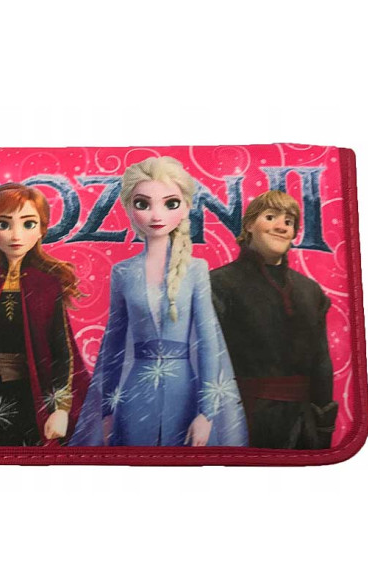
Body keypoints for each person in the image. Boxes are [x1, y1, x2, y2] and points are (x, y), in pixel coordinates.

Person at [70, 156, 248, 447]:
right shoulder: (123, 272)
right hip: (135, 393)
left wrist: (207, 412)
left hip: (186, 392)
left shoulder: (195, 270)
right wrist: (106, 411)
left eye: (170, 204)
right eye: (143, 204)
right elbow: (112, 346)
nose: (156, 215)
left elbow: (208, 343)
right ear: (129, 208)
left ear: (186, 207)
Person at [0, 183, 89, 446]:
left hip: (32, 398)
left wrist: (61, 409)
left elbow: (62, 351)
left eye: (28, 224)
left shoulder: (46, 286)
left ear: (42, 229)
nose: (16, 235)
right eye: (3, 224)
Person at [210, 190, 338, 449]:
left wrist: (323, 428)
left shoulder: (309, 290)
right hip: (241, 422)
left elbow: (321, 363)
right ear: (249, 225)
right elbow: (209, 359)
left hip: (304, 428)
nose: (281, 226)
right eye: (270, 217)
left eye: (289, 222)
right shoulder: (218, 283)